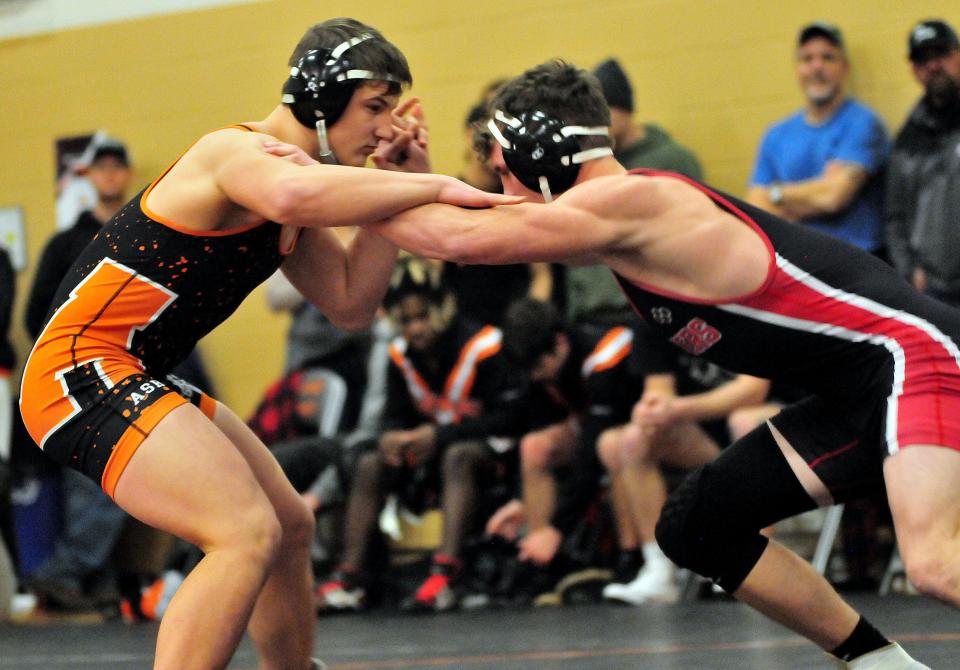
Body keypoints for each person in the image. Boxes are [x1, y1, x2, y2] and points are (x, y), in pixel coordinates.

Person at [369, 59, 951, 669]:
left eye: (504, 171)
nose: (506, 191)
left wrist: (336, 188)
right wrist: (406, 181)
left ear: (542, 150)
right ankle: (881, 664)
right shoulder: (618, 227)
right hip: (853, 392)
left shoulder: (635, 200)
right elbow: (463, 229)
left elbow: (462, 239)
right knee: (699, 523)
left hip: (914, 356)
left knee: (934, 563)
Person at [18, 18, 511, 670]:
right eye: (374, 107)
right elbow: (293, 189)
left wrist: (403, 181)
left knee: (288, 528)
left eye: (392, 110)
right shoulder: (237, 154)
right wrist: (443, 186)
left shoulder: (294, 204)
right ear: (318, 98)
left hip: (133, 373)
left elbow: (350, 303)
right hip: (78, 372)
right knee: (243, 532)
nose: (384, 127)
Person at [317, 256, 523, 613]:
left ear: (441, 310)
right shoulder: (402, 356)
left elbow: (511, 418)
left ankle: (446, 572)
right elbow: (396, 416)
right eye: (407, 320)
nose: (415, 329)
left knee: (457, 455)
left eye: (423, 316)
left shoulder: (484, 346)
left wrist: (440, 435)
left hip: (493, 454)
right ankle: (351, 577)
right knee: (369, 462)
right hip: (433, 455)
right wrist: (393, 438)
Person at [484, 297, 641, 604]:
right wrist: (520, 500)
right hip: (600, 433)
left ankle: (630, 558)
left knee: (611, 445)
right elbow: (535, 425)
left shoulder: (605, 355)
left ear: (559, 342)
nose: (536, 376)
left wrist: (558, 529)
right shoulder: (540, 364)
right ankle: (539, 560)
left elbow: (590, 457)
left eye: (539, 367)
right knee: (535, 446)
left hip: (638, 432)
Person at [599, 328, 771, 605]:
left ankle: (753, 564)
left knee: (744, 422)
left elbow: (753, 390)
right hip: (704, 431)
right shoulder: (654, 312)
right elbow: (659, 391)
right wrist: (653, 410)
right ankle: (659, 568)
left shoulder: (739, 299)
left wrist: (676, 409)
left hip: (771, 413)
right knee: (634, 438)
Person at [564, 58, 702, 330]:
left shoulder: (672, 159)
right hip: (591, 316)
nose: (596, 123)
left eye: (603, 112)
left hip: (647, 311)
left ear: (624, 109)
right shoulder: (585, 164)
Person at [746, 22, 890, 259]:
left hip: (859, 262)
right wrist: (812, 190)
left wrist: (777, 195)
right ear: (797, 69)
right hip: (799, 264)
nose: (817, 66)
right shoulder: (776, 135)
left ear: (844, 67)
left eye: (828, 57)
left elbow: (833, 197)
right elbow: (756, 208)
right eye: (807, 59)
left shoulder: (863, 123)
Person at [886, 19, 960, 307]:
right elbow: (895, 217)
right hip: (935, 293)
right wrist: (908, 271)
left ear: (957, 55)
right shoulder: (908, 139)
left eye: (940, 54)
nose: (932, 66)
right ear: (915, 71)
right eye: (922, 60)